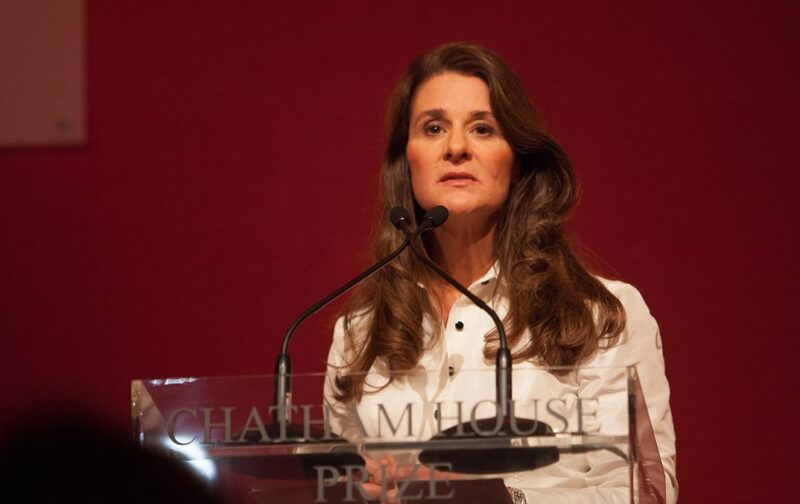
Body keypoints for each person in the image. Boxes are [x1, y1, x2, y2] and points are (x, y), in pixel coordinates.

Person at [323, 42, 677, 503]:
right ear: (405, 160)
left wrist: (494, 498)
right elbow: (334, 485)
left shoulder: (601, 317)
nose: (456, 148)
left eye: (482, 129)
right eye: (434, 128)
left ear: (517, 158)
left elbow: (641, 493)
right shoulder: (359, 334)